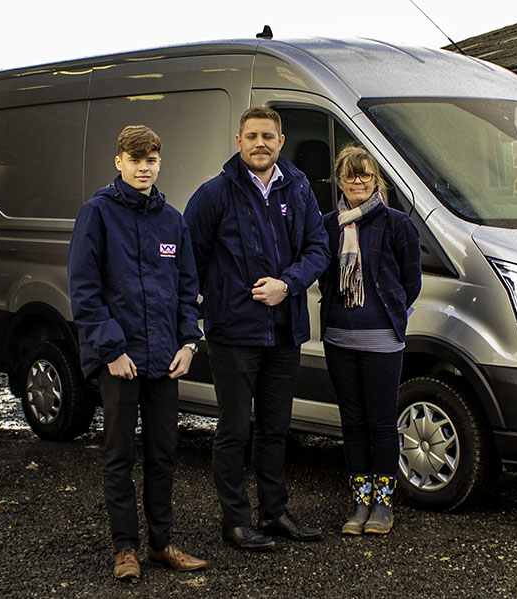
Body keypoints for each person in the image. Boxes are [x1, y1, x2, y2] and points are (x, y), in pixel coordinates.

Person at [184, 106, 329, 551]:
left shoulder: (299, 187)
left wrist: (288, 284)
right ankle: (235, 521)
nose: (260, 143)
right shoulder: (214, 195)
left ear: (280, 141)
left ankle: (275, 512)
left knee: (274, 428)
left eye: (268, 136)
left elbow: (318, 248)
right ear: (238, 141)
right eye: (252, 136)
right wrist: (205, 313)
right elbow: (191, 262)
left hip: (284, 331)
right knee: (233, 431)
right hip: (233, 333)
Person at [68, 125, 206, 580]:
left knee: (164, 453)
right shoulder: (97, 215)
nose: (143, 167)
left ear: (159, 163)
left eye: (151, 160)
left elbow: (187, 286)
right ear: (119, 162)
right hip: (120, 362)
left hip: (165, 361)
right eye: (135, 159)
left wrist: (188, 343)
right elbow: (85, 291)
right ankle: (125, 547)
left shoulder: (172, 219)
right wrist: (110, 350)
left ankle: (161, 544)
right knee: (119, 454)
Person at [319, 145, 421, 535]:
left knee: (380, 423)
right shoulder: (328, 224)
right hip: (338, 337)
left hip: (382, 339)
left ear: (375, 179)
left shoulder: (397, 223)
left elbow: (411, 283)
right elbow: (324, 275)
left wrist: (389, 311)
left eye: (364, 174)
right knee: (352, 424)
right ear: (339, 180)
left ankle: (383, 505)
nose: (357, 181)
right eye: (350, 175)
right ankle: (359, 503)